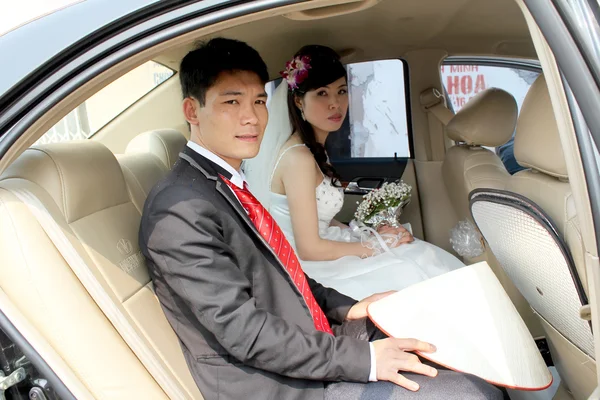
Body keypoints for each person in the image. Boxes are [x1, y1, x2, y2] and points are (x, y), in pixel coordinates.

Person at [139, 37, 503, 400]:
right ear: (192, 111)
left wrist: (348, 307)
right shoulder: (179, 209)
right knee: (468, 393)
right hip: (276, 382)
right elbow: (244, 334)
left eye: (259, 101)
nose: (251, 117)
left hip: (310, 337)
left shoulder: (228, 184)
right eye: (231, 102)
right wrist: (366, 360)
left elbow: (282, 273)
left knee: (452, 342)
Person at [244, 45, 464, 300]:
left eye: (342, 91)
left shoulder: (313, 151)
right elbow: (309, 249)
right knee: (416, 267)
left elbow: (319, 219)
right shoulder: (298, 159)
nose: (335, 103)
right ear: (298, 101)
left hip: (324, 250)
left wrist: (370, 234)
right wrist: (375, 246)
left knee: (418, 254)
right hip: (313, 267)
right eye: (322, 94)